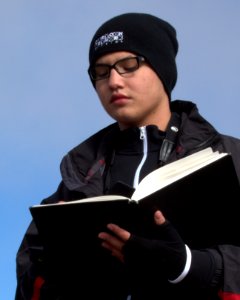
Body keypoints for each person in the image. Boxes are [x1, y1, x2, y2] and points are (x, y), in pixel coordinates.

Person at [15, 12, 240, 300]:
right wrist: (55, 270)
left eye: (128, 65)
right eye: (101, 70)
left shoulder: (230, 158)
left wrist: (195, 266)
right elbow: (26, 286)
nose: (113, 81)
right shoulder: (75, 182)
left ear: (162, 69)